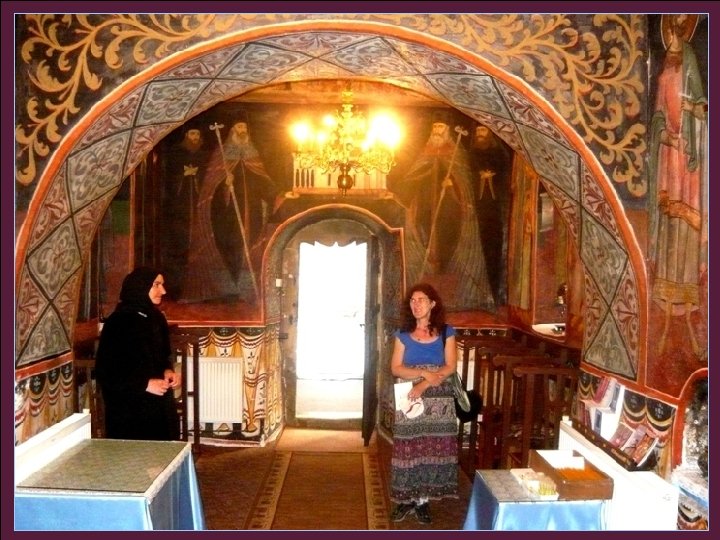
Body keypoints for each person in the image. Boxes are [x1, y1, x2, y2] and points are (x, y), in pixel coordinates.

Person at [392, 114, 494, 312]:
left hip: (450, 212)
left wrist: (452, 183)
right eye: (435, 127)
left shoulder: (456, 154)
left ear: (447, 131)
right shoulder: (425, 153)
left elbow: (465, 181)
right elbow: (415, 175)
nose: (437, 131)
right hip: (425, 209)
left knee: (447, 243)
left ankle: (450, 288)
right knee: (426, 240)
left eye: (441, 127)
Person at [648, 14, 707, 357]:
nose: (673, 34)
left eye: (679, 28)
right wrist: (663, 134)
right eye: (671, 28)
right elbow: (657, 114)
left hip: (688, 163)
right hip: (668, 161)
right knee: (670, 225)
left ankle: (687, 320)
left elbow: (703, 108)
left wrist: (694, 111)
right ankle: (668, 314)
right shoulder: (663, 69)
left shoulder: (691, 63)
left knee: (686, 227)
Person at [182, 117, 278, 303]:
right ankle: (228, 290)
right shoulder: (222, 153)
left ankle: (247, 289)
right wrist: (224, 184)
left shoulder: (252, 153)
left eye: (245, 127)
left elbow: (262, 180)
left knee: (249, 246)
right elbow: (210, 185)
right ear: (233, 130)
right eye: (239, 126)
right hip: (227, 215)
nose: (243, 130)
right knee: (230, 247)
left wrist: (278, 194)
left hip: (252, 211)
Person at [389, 283, 459, 524]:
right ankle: (406, 499)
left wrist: (424, 383)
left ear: (433, 304)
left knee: (431, 447)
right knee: (408, 446)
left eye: (421, 300)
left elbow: (450, 366)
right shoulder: (402, 333)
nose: (416, 304)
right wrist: (420, 374)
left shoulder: (447, 332)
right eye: (412, 300)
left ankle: (423, 500)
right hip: (409, 396)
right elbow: (395, 368)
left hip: (438, 400)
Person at [95, 267, 181, 440]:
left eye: (162, 285)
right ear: (140, 286)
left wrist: (168, 371)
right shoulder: (118, 322)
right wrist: (144, 384)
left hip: (159, 403)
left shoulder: (156, 318)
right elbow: (107, 371)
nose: (163, 291)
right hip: (130, 408)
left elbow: (163, 356)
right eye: (157, 285)